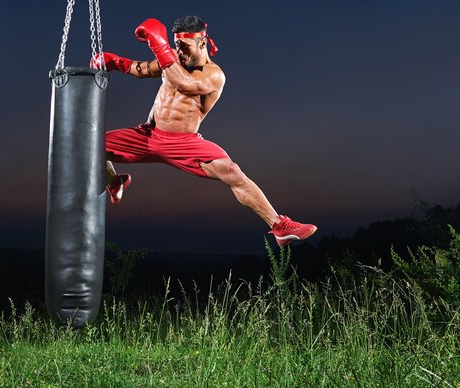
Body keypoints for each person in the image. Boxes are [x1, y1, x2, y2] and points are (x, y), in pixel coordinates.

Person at [91, 15, 317, 247]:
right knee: (91, 146)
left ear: (202, 42)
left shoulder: (214, 75)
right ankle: (115, 182)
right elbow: (140, 69)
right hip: (147, 135)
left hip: (183, 143)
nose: (179, 53)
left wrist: (159, 45)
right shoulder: (172, 62)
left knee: (231, 171)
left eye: (184, 47)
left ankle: (279, 225)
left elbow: (185, 84)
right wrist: (114, 62)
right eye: (176, 46)